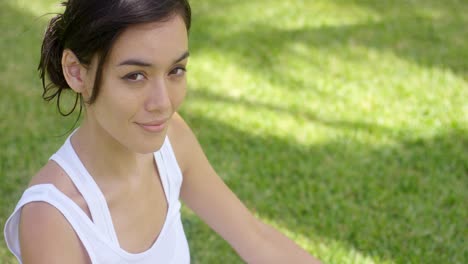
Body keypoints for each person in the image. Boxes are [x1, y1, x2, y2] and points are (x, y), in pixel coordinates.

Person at [3, 0, 321, 263]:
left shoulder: (172, 142)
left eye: (175, 71)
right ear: (76, 72)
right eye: (135, 76)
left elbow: (255, 238)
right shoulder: (53, 217)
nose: (163, 103)